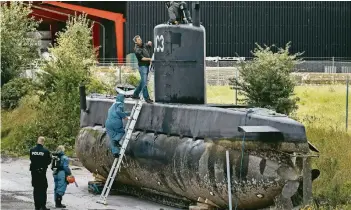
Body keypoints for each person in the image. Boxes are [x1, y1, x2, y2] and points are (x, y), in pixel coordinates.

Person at [30, 136, 52, 210]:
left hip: (34, 173)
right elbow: (49, 161)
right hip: (42, 173)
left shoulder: (32, 150)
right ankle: (43, 206)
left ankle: (37, 206)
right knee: (43, 189)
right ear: (43, 142)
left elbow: (31, 159)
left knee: (36, 189)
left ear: (37, 141)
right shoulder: (46, 151)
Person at [132, 35, 154, 103]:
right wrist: (150, 59)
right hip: (142, 67)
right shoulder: (137, 49)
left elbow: (148, 45)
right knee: (144, 83)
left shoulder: (142, 45)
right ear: (136, 42)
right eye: (138, 40)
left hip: (146, 66)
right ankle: (146, 98)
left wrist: (149, 43)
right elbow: (142, 58)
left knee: (142, 82)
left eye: (140, 39)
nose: (140, 40)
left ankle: (135, 94)